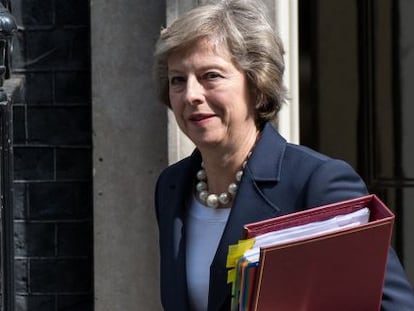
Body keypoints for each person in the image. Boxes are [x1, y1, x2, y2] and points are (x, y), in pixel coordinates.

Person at [153, 0, 414, 310]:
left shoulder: (317, 182)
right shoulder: (172, 185)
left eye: (211, 75)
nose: (191, 95)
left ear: (256, 83)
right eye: (177, 80)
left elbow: (395, 306)